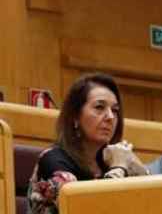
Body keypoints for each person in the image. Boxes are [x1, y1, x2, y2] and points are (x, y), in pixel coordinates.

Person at [27, 73, 149, 214]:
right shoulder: (52, 160)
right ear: (75, 116)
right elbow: (90, 209)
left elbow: (151, 201)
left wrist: (134, 164)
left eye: (115, 110)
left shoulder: (108, 161)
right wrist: (119, 167)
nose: (110, 117)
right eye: (99, 107)